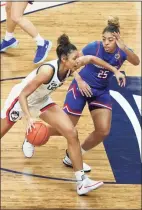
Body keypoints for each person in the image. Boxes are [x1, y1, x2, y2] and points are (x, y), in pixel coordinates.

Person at [1, 33, 125, 195]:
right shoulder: (47, 71)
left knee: (71, 132)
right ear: (64, 60)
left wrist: (115, 70)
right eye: (75, 58)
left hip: (42, 100)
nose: (79, 60)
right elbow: (23, 95)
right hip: (19, 102)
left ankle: (82, 181)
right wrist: (29, 118)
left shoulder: (69, 65)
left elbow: (93, 59)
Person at [22, 16, 140, 172]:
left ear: (117, 39)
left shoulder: (122, 51)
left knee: (103, 130)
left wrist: (124, 47)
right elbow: (73, 64)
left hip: (100, 91)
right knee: (67, 127)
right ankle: (34, 135)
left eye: (110, 40)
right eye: (104, 39)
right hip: (80, 88)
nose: (106, 43)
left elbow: (136, 62)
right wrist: (79, 80)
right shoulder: (94, 47)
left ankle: (72, 156)